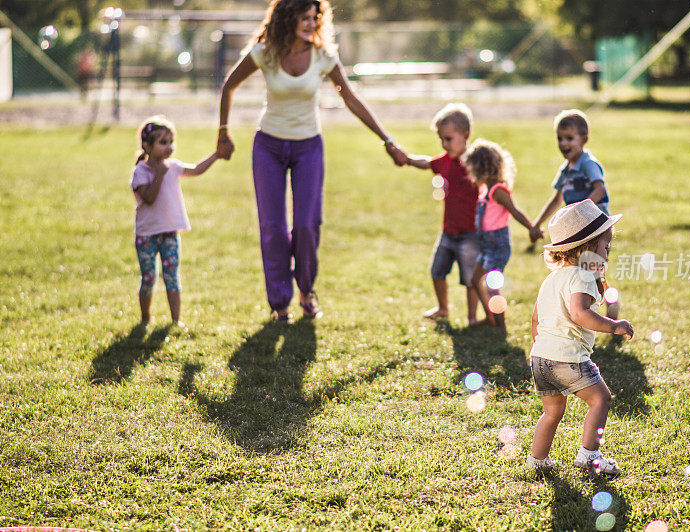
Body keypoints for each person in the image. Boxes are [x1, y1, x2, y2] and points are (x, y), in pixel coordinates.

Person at [216, 0, 407, 322]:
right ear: (287, 17)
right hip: (268, 147)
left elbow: (350, 97)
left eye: (314, 18)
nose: (310, 23)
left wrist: (387, 140)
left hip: (308, 148)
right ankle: (279, 303)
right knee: (273, 228)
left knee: (306, 226)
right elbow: (228, 86)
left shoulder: (324, 56)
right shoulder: (265, 52)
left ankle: (306, 290)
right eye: (304, 18)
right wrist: (223, 133)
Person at [525, 199, 633, 474]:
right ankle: (589, 455)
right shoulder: (582, 277)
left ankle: (537, 461)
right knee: (601, 399)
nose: (607, 253)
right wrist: (614, 325)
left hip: (541, 357)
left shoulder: (551, 279)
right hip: (568, 357)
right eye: (605, 247)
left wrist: (540, 345)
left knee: (552, 411)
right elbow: (580, 313)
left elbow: (536, 317)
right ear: (588, 247)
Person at [130, 116, 220, 326]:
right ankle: (145, 317)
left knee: (172, 276)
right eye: (163, 142)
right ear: (147, 145)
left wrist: (216, 155)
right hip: (147, 236)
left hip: (170, 233)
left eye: (171, 142)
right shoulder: (140, 172)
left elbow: (196, 169)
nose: (169, 147)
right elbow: (149, 199)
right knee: (149, 277)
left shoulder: (174, 166)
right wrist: (160, 175)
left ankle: (175, 320)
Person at [530, 109, 619, 319]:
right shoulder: (566, 169)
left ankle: (609, 305)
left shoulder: (588, 164)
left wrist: (581, 209)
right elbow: (556, 198)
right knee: (576, 274)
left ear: (584, 139)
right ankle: (581, 314)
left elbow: (600, 189)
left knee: (592, 274)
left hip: (594, 231)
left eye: (569, 138)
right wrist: (537, 223)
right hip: (575, 233)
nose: (563, 144)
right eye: (559, 139)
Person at [405, 103, 481, 325]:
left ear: (465, 135)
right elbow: (426, 162)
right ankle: (443, 308)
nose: (444, 144)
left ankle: (472, 317)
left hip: (470, 233)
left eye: (448, 139)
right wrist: (406, 159)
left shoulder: (475, 163)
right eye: (441, 139)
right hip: (448, 232)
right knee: (437, 271)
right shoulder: (444, 161)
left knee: (470, 280)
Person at [464, 139, 539, 331]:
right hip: (485, 245)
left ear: (484, 169)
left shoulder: (498, 191)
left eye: (473, 170)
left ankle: (500, 326)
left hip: (497, 245)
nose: (470, 174)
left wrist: (531, 228)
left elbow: (515, 211)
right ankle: (491, 317)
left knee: (492, 286)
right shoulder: (484, 190)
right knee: (474, 280)